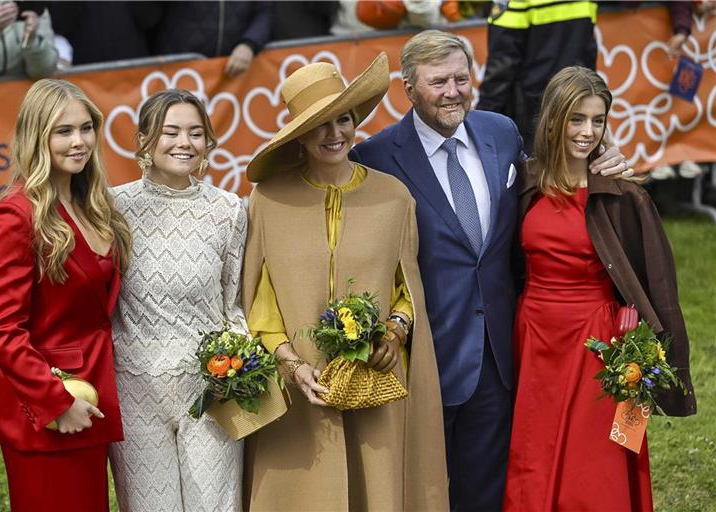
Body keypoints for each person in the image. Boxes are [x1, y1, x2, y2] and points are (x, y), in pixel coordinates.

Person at [351, 30, 632, 511]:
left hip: (498, 353)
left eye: (462, 77)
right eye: (438, 82)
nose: (454, 91)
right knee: (419, 486)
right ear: (409, 88)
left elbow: (549, 188)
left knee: (484, 486)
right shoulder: (375, 158)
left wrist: (601, 157)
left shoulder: (501, 132)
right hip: (420, 352)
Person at [241, 52, 448, 510]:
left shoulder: (393, 197)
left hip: (377, 380)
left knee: (378, 489)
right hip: (297, 392)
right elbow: (259, 301)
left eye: (345, 120)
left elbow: (406, 287)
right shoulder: (268, 201)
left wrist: (395, 331)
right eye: (321, 125)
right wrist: (292, 365)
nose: (335, 134)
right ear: (299, 135)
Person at [504, 65, 696, 511]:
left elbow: (660, 283)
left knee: (597, 464)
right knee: (533, 453)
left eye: (597, 120)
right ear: (553, 118)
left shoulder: (623, 194)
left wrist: (661, 363)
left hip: (600, 343)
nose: (587, 132)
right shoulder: (523, 183)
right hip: (534, 338)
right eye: (576, 118)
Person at [0, 78, 133, 511]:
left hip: (96, 394)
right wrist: (56, 402)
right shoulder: (13, 217)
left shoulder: (92, 203)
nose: (79, 141)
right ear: (36, 136)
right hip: (48, 410)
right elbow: (2, 329)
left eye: (86, 128)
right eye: (63, 131)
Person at [109, 89, 247, 511]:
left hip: (210, 389)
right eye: (171, 132)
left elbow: (235, 301)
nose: (184, 143)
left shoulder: (229, 210)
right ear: (146, 140)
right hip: (134, 386)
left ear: (208, 143)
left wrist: (236, 367)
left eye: (195, 133)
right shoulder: (113, 207)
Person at [476, 0, 598, 153]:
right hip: (575, 99)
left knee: (533, 171)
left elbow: (502, 64)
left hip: (531, 110)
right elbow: (589, 51)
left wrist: (482, 118)